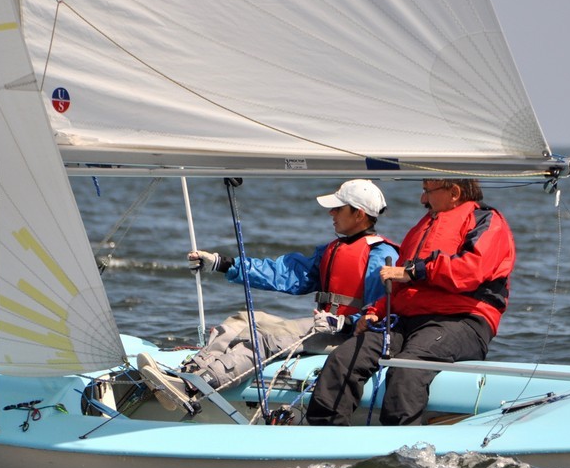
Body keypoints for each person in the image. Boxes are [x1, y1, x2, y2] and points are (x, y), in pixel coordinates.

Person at [138, 179, 399, 410]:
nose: (331, 212)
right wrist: (224, 264)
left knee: (266, 339)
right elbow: (284, 274)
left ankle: (196, 387)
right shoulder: (333, 250)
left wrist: (345, 322)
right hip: (323, 328)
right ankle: (188, 372)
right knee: (240, 320)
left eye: (338, 208)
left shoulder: (382, 256)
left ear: (359, 214)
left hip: (346, 338)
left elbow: (383, 312)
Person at [304, 177, 515, 426]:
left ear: (454, 192)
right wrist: (375, 311)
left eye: (428, 191)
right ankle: (324, 434)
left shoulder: (486, 221)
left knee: (406, 370)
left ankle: (400, 447)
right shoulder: (422, 227)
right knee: (344, 358)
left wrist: (416, 271)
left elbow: (471, 271)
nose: (422, 199)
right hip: (406, 321)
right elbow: (401, 285)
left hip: (461, 321)